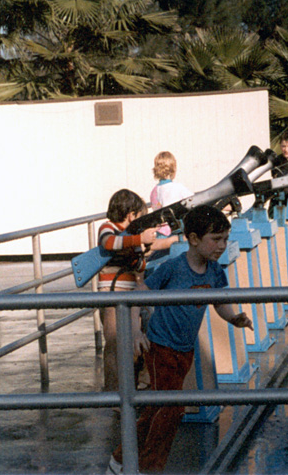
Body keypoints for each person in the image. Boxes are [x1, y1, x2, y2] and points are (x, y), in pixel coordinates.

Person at [107, 204, 252, 474]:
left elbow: (220, 301)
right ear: (194, 239)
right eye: (216, 239)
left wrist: (234, 318)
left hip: (184, 350)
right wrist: (137, 330)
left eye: (225, 239)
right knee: (171, 409)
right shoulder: (174, 268)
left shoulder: (214, 272)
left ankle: (120, 458)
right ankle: (151, 467)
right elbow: (141, 290)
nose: (222, 246)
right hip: (160, 346)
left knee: (156, 409)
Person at [98, 189, 179, 392]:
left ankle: (138, 385)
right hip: (113, 294)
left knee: (140, 340)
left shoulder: (132, 237)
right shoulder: (107, 228)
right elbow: (109, 243)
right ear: (131, 215)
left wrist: (147, 248)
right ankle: (114, 392)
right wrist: (139, 239)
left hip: (132, 294)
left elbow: (138, 264)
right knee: (115, 345)